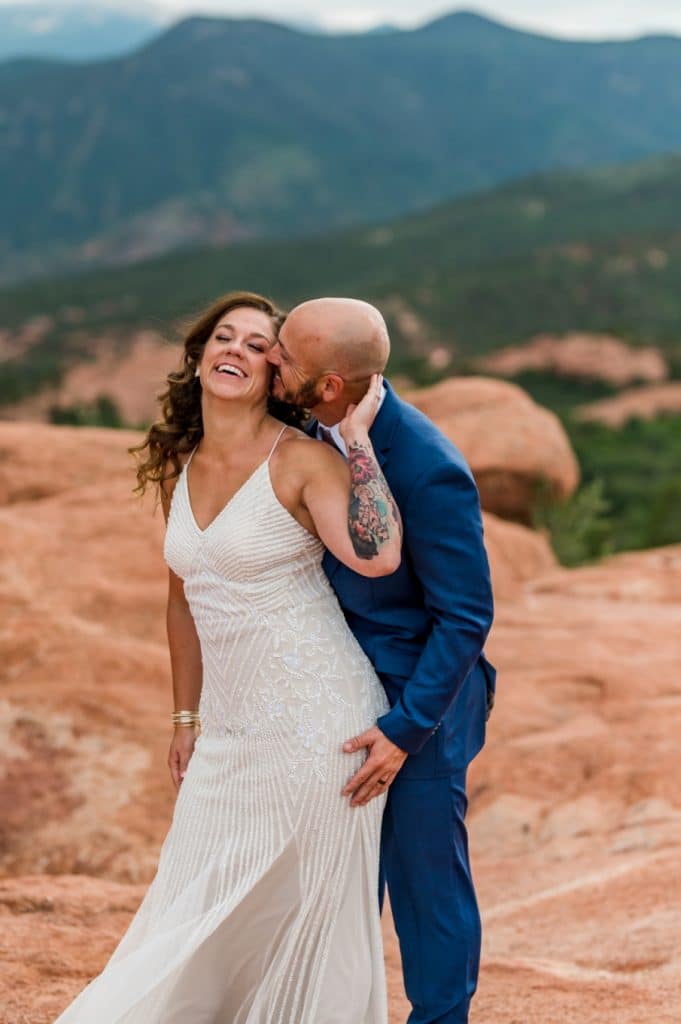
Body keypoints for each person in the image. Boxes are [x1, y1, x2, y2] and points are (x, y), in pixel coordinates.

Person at [52, 291, 403, 1024]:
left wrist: (360, 442)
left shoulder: (301, 459)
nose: (235, 351)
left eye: (255, 344)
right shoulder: (183, 463)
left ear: (275, 369)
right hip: (229, 732)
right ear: (199, 354)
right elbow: (183, 601)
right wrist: (185, 716)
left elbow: (377, 557)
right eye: (224, 337)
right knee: (191, 896)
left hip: (319, 727)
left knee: (296, 917)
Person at [267, 297, 496, 1024]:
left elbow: (465, 615)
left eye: (286, 357)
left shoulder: (426, 466)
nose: (273, 361)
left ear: (329, 384)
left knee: (426, 890)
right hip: (329, 694)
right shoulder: (303, 427)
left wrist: (404, 729)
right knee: (338, 880)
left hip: (413, 707)